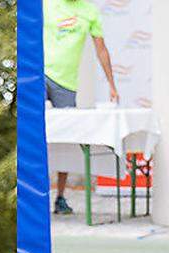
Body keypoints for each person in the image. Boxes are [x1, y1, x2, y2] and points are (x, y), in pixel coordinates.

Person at [43, 0, 119, 215]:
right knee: (32, 131)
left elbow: (101, 51)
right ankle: (31, 194)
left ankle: (60, 197)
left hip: (67, 83)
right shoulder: (46, 4)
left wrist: (112, 86)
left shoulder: (89, 11)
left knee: (67, 138)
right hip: (40, 75)